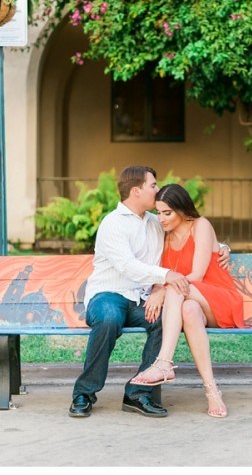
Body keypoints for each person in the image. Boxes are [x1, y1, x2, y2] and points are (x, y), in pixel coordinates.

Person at [69, 166, 229, 419]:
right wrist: (165, 278)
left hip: (142, 299)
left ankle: (138, 393)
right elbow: (128, 266)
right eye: (153, 185)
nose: (157, 189)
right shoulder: (112, 224)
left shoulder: (157, 222)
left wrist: (223, 247)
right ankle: (84, 393)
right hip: (109, 294)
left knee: (164, 321)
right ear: (136, 190)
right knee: (109, 319)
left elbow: (191, 234)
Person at [131, 183, 246, 418]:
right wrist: (157, 289)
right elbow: (160, 273)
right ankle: (212, 391)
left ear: (182, 210)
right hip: (195, 302)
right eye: (159, 212)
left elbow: (197, 276)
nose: (161, 219)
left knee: (176, 289)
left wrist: (164, 290)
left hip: (219, 296)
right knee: (190, 311)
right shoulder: (164, 238)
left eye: (168, 213)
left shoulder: (201, 226)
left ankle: (164, 363)